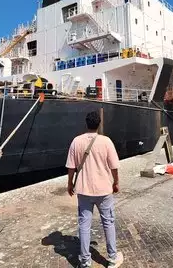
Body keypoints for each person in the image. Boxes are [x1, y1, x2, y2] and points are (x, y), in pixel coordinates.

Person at [66, 111, 124, 268]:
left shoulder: (76, 141)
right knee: (108, 222)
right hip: (104, 190)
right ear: (99, 124)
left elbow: (71, 167)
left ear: (86, 124)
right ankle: (112, 258)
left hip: (84, 190)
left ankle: (85, 261)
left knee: (84, 225)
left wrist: (70, 183)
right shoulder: (106, 141)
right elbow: (114, 166)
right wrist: (116, 182)